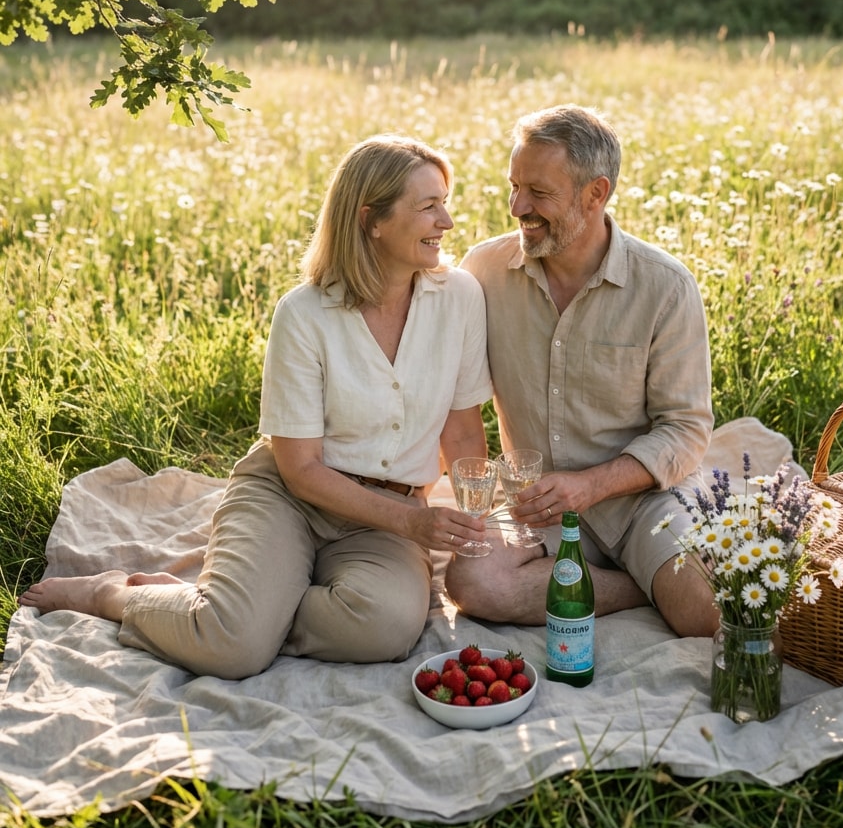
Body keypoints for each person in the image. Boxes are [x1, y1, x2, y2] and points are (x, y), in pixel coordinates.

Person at [21, 135, 493, 677]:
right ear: (372, 220)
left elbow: (461, 432)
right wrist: (414, 526)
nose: (448, 221)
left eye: (445, 201)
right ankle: (117, 596)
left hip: (387, 519)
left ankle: (230, 610)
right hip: (292, 495)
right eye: (429, 206)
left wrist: (476, 529)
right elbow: (302, 469)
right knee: (234, 651)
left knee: (383, 628)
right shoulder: (304, 314)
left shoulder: (459, 297)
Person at [444, 104, 719, 637]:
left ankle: (648, 576)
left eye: (539, 193)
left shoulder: (666, 287)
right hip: (534, 505)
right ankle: (642, 587)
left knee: (706, 616)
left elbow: (686, 430)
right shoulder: (482, 272)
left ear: (596, 194)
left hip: (641, 499)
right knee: (474, 585)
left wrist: (590, 486)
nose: (517, 206)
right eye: (514, 185)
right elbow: (454, 398)